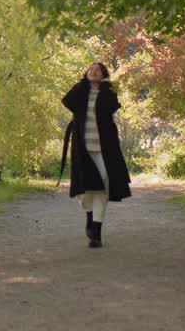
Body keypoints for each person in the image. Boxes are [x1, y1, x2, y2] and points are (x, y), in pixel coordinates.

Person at [61, 62, 131, 248]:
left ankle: (96, 232)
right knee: (84, 192)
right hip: (82, 148)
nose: (93, 71)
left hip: (104, 148)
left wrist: (106, 86)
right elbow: (67, 101)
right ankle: (89, 216)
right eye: (90, 69)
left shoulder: (108, 93)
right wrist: (83, 83)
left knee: (102, 188)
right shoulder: (80, 91)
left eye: (97, 70)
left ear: (103, 75)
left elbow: (112, 106)